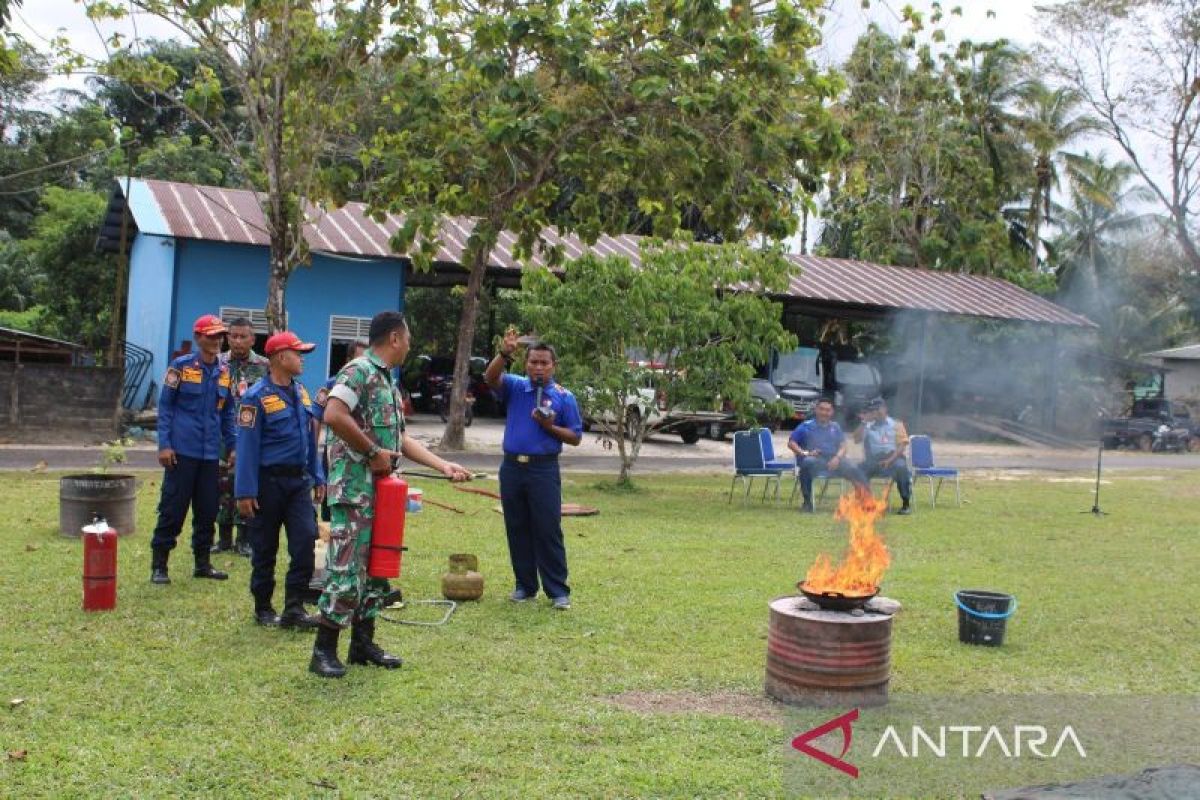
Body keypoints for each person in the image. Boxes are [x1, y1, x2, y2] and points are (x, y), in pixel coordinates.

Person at [310, 311, 471, 679]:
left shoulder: (387, 382)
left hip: (382, 492)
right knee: (346, 568)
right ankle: (324, 650)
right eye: (409, 339)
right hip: (355, 489)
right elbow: (334, 414)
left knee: (376, 569)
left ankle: (363, 644)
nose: (410, 346)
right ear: (395, 338)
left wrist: (442, 466)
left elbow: (399, 440)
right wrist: (370, 453)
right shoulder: (358, 371)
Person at [484, 330, 583, 610]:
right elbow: (490, 378)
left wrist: (549, 427)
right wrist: (504, 353)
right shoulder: (516, 386)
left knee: (548, 528)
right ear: (525, 364)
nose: (538, 368)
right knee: (517, 526)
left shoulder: (565, 398)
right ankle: (525, 586)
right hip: (513, 467)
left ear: (554, 366)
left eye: (544, 363)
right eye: (533, 362)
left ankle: (558, 591)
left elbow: (575, 437)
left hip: (543, 470)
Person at [235, 331, 326, 629]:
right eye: (297, 353)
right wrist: (245, 491)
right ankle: (263, 607)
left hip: (298, 483)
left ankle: (294, 608)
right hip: (267, 483)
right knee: (265, 547)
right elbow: (246, 447)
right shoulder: (254, 397)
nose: (302, 359)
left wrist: (318, 475)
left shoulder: (301, 392)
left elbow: (311, 440)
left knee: (304, 541)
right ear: (279, 357)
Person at [150, 314, 237, 584]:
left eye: (220, 336)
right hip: (182, 451)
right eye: (211, 336)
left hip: (210, 454)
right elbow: (165, 407)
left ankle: (202, 563)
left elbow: (227, 413)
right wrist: (164, 445)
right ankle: (159, 565)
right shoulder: (181, 367)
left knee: (207, 509)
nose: (217, 341)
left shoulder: (225, 373)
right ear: (199, 337)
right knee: (173, 508)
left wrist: (232, 446)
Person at [215, 317, 271, 556]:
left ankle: (244, 539)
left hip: (252, 436)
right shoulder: (217, 364)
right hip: (221, 435)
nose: (237, 341)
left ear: (253, 339)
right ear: (227, 338)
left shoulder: (265, 366)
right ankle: (223, 538)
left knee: (246, 484)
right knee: (221, 485)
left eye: (243, 337)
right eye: (233, 336)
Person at [787, 397, 867, 513]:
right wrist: (804, 453)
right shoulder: (806, 426)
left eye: (827, 410)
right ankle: (807, 502)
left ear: (832, 412)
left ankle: (863, 500)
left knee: (853, 467)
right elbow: (791, 443)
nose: (824, 413)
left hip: (833, 460)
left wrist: (838, 457)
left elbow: (843, 445)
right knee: (807, 464)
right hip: (815, 460)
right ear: (816, 410)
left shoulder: (835, 427)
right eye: (821, 409)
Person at [854, 397, 913, 515]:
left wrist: (889, 460)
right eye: (873, 410)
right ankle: (867, 502)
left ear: (885, 409)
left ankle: (905, 503)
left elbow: (902, 446)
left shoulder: (896, 424)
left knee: (901, 468)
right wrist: (864, 422)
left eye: (878, 409)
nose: (875, 412)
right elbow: (856, 439)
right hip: (874, 460)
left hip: (893, 458)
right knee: (858, 470)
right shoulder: (867, 425)